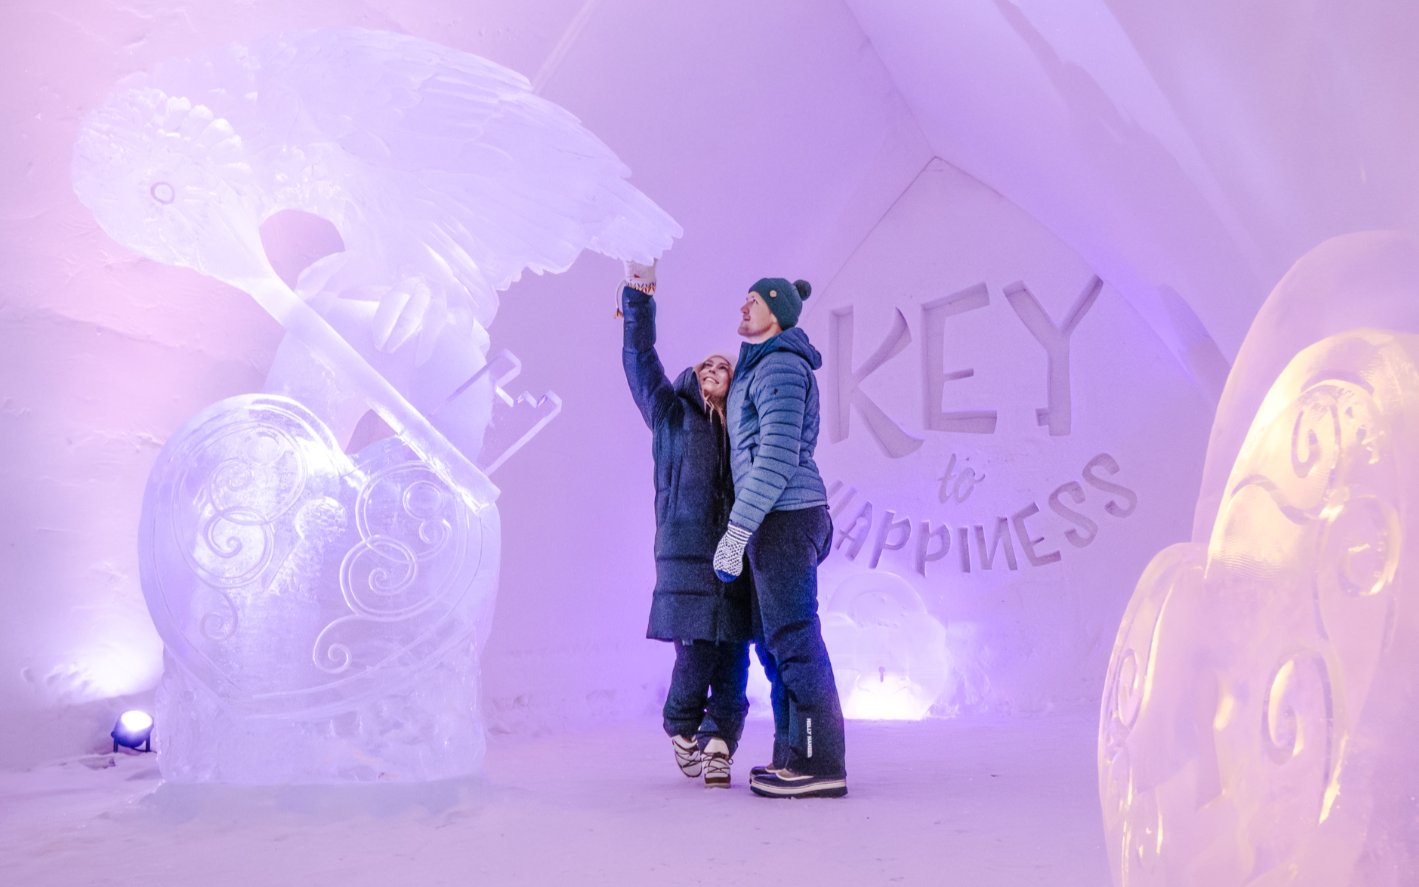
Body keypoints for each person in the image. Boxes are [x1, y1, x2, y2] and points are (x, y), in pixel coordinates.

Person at [712, 277, 847, 799]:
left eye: (756, 301)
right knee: (775, 645)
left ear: (779, 313)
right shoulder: (761, 366)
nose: (743, 305)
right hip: (774, 518)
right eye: (743, 297)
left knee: (794, 640)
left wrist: (735, 531)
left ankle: (819, 762)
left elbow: (775, 456)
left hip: (786, 517)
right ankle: (793, 754)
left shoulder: (783, 368)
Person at [620, 259, 752, 789]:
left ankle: (720, 746)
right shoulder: (670, 415)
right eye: (705, 365)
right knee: (696, 653)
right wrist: (637, 298)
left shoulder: (744, 426)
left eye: (723, 365)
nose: (713, 368)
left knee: (734, 657)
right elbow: (639, 358)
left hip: (736, 556)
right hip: (686, 553)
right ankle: (681, 728)